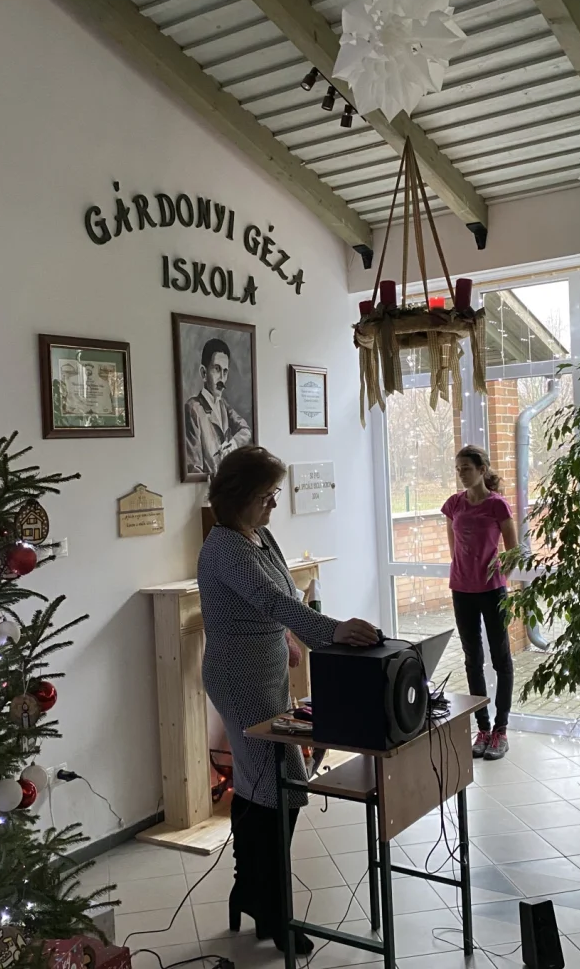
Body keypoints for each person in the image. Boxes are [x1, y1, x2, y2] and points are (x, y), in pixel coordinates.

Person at [198, 446, 378, 953]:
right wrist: (332, 630)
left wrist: (291, 637)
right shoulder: (225, 546)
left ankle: (252, 892)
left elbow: (282, 597)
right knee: (278, 786)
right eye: (266, 495)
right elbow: (269, 599)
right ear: (239, 497)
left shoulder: (259, 534)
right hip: (239, 679)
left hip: (267, 672)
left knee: (262, 786)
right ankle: (271, 907)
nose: (274, 503)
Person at [442, 445, 518, 761]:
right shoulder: (454, 504)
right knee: (472, 658)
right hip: (462, 590)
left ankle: (501, 730)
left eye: (467, 468)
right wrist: (464, 571)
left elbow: (513, 550)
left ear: (482, 469)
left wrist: (498, 577)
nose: (461, 473)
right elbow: (453, 546)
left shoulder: (497, 505)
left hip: (492, 591)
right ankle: (482, 728)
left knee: (500, 658)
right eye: (458, 468)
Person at [184, 338, 251, 476]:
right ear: (203, 373)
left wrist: (233, 444)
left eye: (225, 372)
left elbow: (246, 430)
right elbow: (193, 468)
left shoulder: (223, 405)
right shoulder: (193, 408)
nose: (222, 378)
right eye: (217, 369)